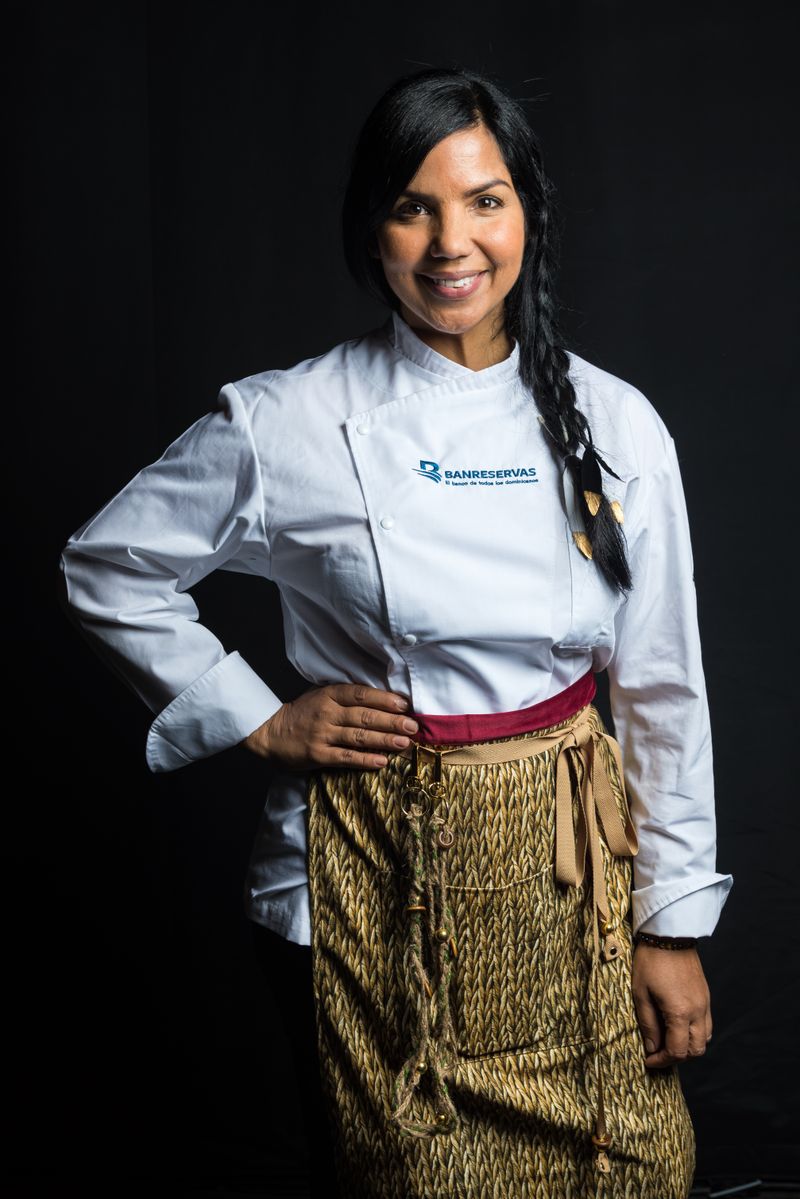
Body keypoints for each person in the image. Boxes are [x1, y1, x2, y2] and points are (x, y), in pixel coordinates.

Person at [58, 65, 734, 1199]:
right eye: (410, 205)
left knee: (635, 1169)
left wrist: (669, 925)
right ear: (368, 227)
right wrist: (257, 719)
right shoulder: (291, 419)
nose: (449, 243)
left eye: (483, 199)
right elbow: (109, 564)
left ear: (527, 213)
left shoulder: (615, 421)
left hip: (573, 889)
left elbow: (662, 690)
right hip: (370, 879)